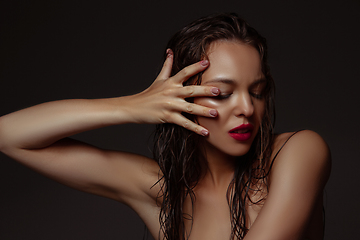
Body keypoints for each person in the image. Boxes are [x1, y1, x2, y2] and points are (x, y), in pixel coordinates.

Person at [0, 13, 330, 240]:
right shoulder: (165, 195)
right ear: (180, 97)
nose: (246, 108)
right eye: (222, 93)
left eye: (257, 92)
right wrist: (132, 106)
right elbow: (9, 136)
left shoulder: (298, 152)